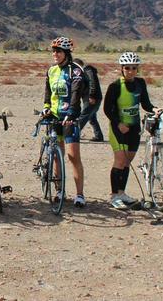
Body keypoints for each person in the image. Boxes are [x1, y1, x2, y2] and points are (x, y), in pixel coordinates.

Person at [103, 52, 162, 210]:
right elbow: (107, 109)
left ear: (137, 69)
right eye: (127, 68)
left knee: (128, 162)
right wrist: (119, 123)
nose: (130, 71)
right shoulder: (115, 86)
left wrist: (155, 109)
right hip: (119, 129)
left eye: (134, 68)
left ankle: (122, 193)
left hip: (135, 128)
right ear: (122, 69)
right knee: (120, 161)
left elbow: (145, 104)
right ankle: (114, 196)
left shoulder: (140, 83)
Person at [41, 37, 87, 207]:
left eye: (58, 51)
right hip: (54, 116)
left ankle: (80, 195)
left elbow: (76, 93)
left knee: (73, 156)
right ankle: (59, 190)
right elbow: (48, 91)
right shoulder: (51, 71)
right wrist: (46, 107)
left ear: (66, 53)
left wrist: (72, 113)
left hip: (70, 118)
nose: (55, 54)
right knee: (56, 155)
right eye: (53, 51)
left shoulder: (75, 71)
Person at [75, 58, 103, 142]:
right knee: (92, 117)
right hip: (92, 97)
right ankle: (99, 136)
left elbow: (92, 82)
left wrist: (91, 95)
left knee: (84, 116)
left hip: (92, 98)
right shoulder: (85, 71)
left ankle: (74, 134)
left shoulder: (88, 70)